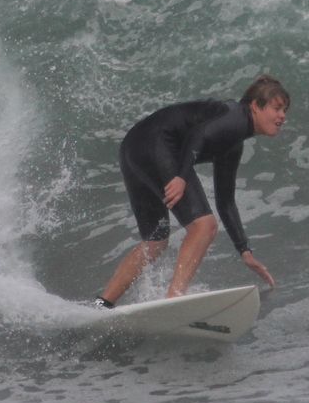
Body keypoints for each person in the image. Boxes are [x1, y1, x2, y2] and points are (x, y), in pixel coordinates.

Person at [94, 74, 289, 307]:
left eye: (284, 110)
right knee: (204, 226)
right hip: (155, 144)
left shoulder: (233, 142)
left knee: (155, 241)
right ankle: (174, 299)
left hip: (135, 146)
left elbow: (225, 202)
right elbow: (199, 135)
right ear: (256, 105)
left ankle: (103, 303)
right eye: (277, 108)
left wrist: (244, 251)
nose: (282, 116)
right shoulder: (235, 117)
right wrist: (181, 177)